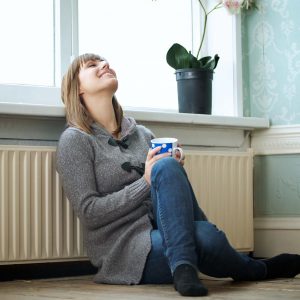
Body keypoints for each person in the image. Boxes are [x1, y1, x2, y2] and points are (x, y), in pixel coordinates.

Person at [56, 53, 300, 297]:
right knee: (206, 238)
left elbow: (163, 189)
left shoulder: (142, 134)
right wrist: (145, 182)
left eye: (104, 61)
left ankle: (185, 269)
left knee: (167, 168)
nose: (104, 65)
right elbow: (89, 212)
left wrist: (172, 170)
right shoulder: (75, 140)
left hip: (169, 231)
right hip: (126, 251)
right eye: (92, 65)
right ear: (77, 88)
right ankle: (253, 269)